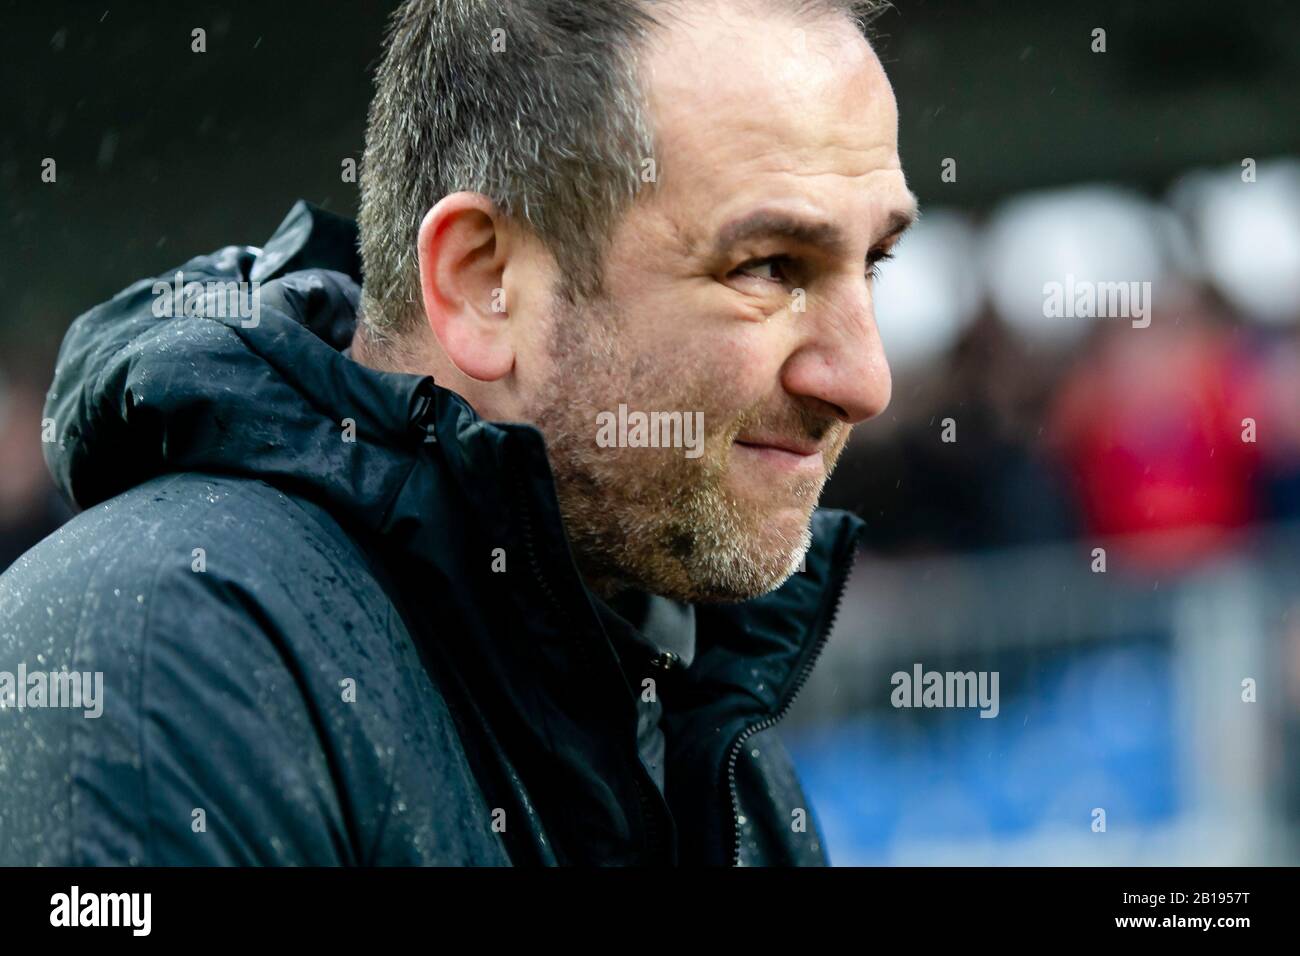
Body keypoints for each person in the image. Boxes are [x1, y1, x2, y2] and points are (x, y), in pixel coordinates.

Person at [0, 0, 914, 865]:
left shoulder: (697, 711)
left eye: (871, 262)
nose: (864, 380)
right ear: (484, 282)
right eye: (768, 266)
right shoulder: (160, 665)